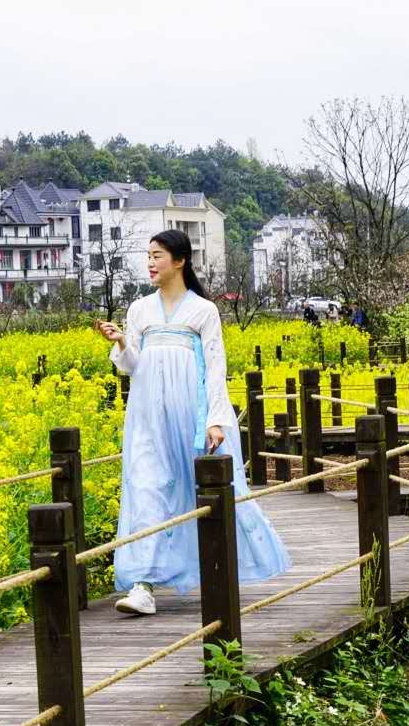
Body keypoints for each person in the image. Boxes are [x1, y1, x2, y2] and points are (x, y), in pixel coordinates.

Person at [97, 229, 290, 616]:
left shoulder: (203, 311)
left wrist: (216, 420)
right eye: (147, 256)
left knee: (201, 492)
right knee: (148, 489)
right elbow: (134, 367)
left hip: (192, 417)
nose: (150, 263)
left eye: (157, 256)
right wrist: (120, 342)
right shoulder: (139, 310)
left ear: (180, 260)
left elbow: (215, 370)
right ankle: (143, 586)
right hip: (149, 417)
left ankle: (217, 571)